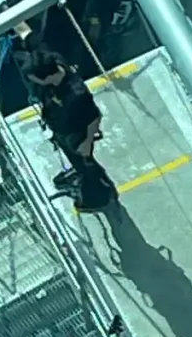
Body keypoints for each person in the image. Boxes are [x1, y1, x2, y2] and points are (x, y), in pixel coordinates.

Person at [14, 41, 117, 213]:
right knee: (77, 161)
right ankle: (92, 176)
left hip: (76, 134)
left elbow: (94, 117)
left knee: (85, 165)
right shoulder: (49, 58)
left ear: (46, 77)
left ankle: (97, 197)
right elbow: (28, 35)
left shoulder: (76, 94)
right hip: (60, 127)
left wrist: (87, 142)